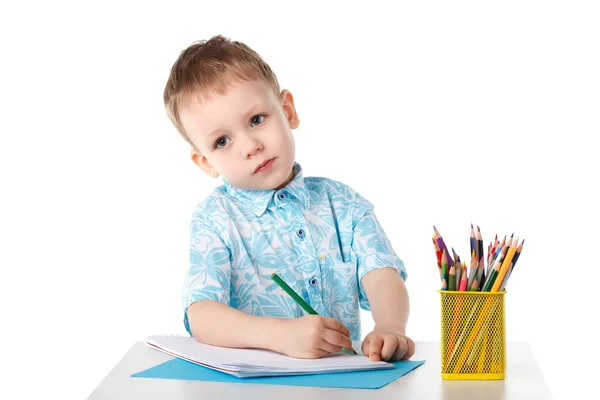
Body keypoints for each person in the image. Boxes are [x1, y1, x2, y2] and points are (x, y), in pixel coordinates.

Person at [163, 35, 415, 362]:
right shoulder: (215, 219)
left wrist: (390, 326)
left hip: (346, 380)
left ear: (287, 111)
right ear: (206, 162)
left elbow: (381, 273)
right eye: (223, 141)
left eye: (257, 120)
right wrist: (278, 336)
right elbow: (201, 314)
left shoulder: (343, 204)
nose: (250, 145)